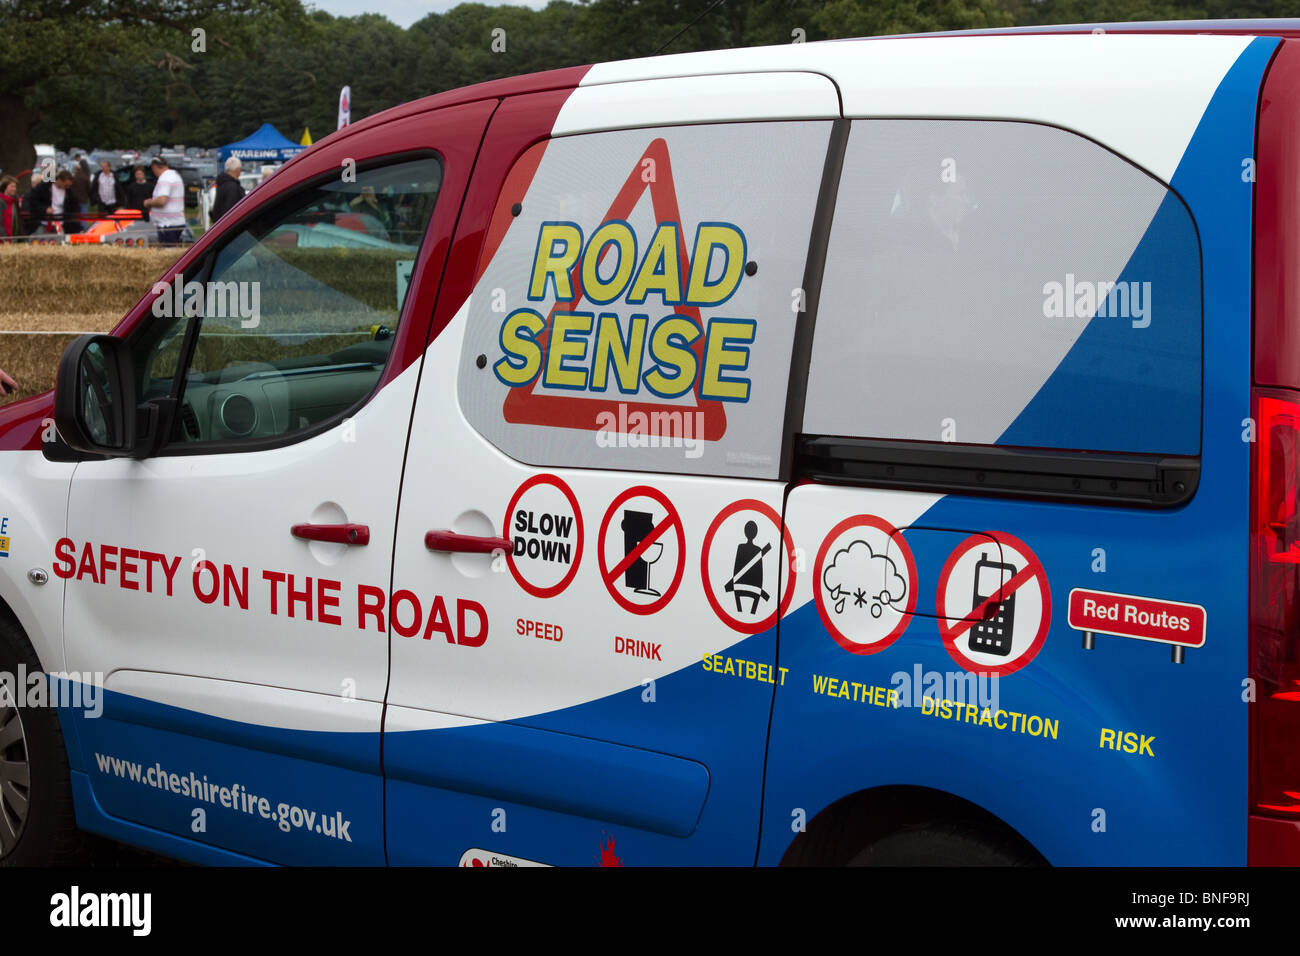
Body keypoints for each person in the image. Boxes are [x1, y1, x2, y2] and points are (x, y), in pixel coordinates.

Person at [143, 156, 185, 245]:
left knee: (168, 251)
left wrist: (148, 202)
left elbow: (162, 201)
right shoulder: (174, 175)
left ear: (154, 166)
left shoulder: (165, 178)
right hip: (175, 221)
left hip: (167, 224)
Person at [211, 156, 245, 221]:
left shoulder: (221, 183)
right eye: (240, 169)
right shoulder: (233, 187)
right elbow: (230, 211)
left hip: (219, 223)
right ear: (237, 170)